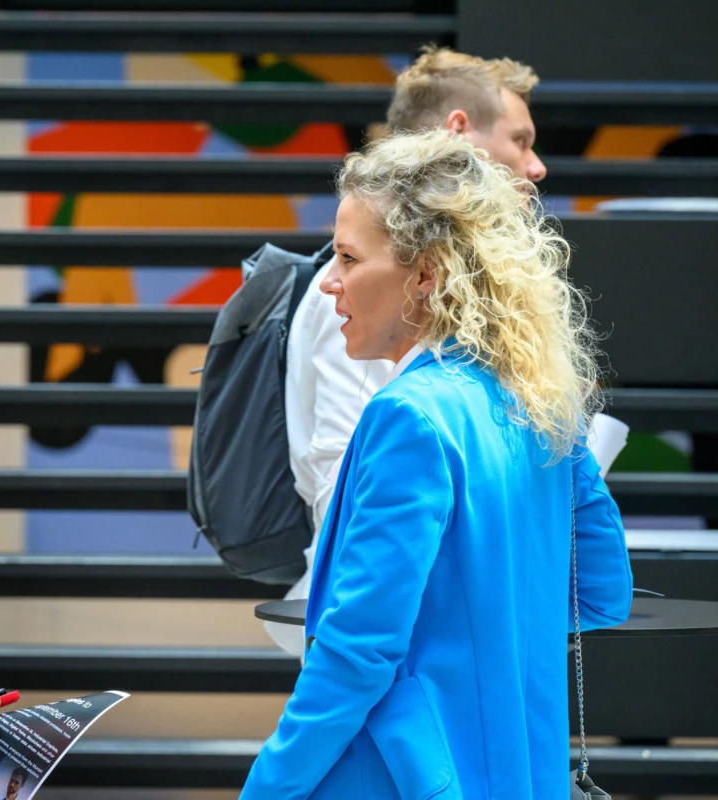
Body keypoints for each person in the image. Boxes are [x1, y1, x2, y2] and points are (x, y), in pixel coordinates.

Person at [240, 130, 632, 799]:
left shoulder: (408, 417)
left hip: (406, 777)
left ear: (426, 273)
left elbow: (357, 652)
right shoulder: (537, 403)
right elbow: (601, 592)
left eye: (345, 257)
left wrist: (265, 790)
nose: (328, 282)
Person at [268, 47, 550, 655]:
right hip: (383, 619)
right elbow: (336, 475)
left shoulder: (457, 305)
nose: (536, 166)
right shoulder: (360, 292)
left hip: (447, 621)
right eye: (520, 140)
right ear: (457, 130)